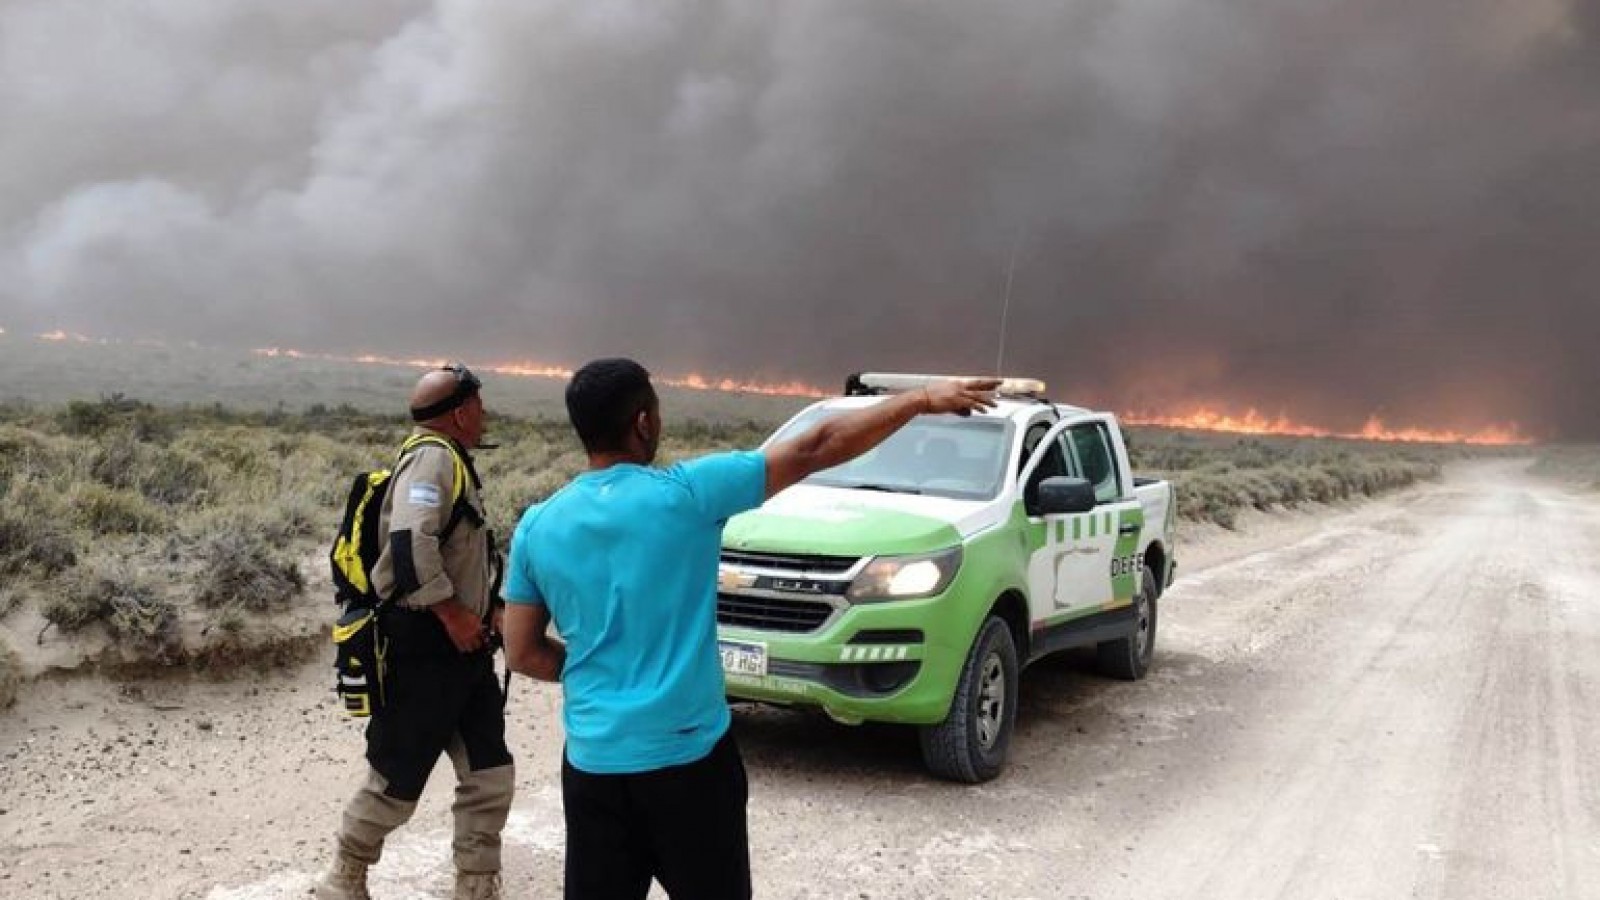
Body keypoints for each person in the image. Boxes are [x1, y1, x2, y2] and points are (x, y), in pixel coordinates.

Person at [501, 359, 996, 899]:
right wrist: (920, 399)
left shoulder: (536, 526)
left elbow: (522, 652)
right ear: (643, 422)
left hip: (594, 765)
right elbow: (816, 447)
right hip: (690, 765)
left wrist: (592, 669)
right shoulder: (689, 494)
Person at [318, 362, 513, 900]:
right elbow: (409, 545)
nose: (485, 414)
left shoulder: (450, 459)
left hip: (465, 650)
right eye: (479, 405)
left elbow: (457, 552)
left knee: (489, 772)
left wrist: (489, 607)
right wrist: (452, 614)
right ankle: (344, 877)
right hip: (425, 647)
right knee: (397, 777)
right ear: (461, 412)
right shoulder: (432, 459)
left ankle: (477, 884)